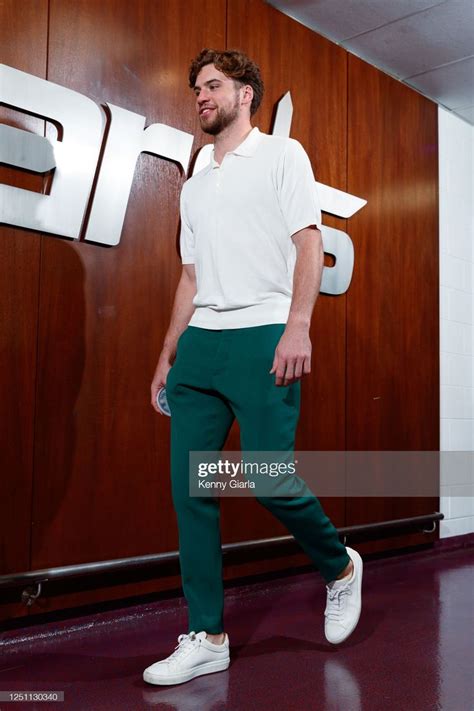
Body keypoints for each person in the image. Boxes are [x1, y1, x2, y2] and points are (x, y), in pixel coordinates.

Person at [143, 48, 363, 687]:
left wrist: (298, 326)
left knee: (268, 478)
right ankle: (208, 634)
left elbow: (309, 242)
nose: (201, 96)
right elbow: (189, 276)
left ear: (246, 94)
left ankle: (340, 566)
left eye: (213, 85)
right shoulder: (194, 184)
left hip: (264, 333)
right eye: (196, 88)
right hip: (202, 345)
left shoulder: (281, 156)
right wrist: (167, 351)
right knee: (194, 490)